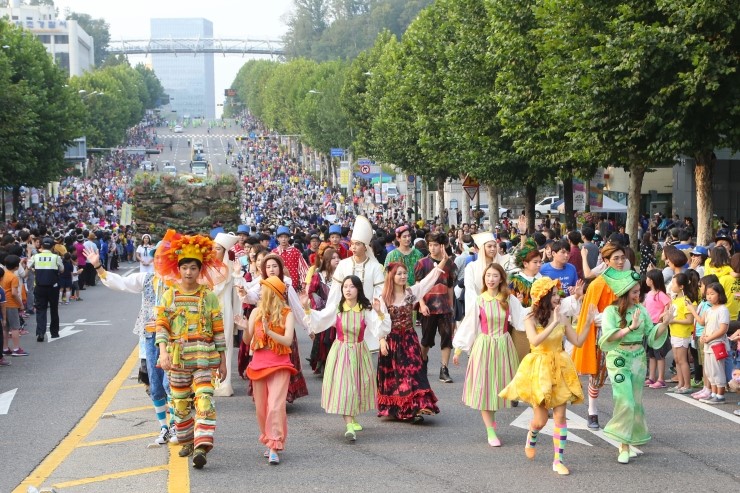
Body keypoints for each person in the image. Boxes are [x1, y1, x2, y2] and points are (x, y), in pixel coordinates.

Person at [500, 277, 596, 475]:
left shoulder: (561, 316)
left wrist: (587, 323)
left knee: (561, 416)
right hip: (540, 369)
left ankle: (558, 460)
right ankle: (532, 433)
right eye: (553, 295)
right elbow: (534, 341)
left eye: (557, 294)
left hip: (559, 367)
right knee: (541, 420)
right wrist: (553, 323)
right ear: (543, 297)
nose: (557, 298)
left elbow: (577, 341)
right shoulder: (530, 317)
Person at [84, 245, 177, 446]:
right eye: (158, 258)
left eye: (165, 258)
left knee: (172, 383)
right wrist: (99, 266)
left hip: (174, 339)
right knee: (155, 382)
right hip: (151, 337)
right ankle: (164, 427)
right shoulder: (146, 279)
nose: (160, 261)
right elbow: (121, 283)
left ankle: (177, 423)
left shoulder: (179, 283)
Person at [155, 232, 227, 469]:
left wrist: (223, 361)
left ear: (200, 270)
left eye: (193, 268)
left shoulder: (209, 297)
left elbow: (218, 329)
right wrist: (163, 353)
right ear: (178, 269)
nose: (188, 272)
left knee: (204, 400)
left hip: (204, 358)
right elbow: (162, 327)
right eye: (184, 267)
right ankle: (187, 440)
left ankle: (201, 447)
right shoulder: (169, 295)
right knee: (180, 404)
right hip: (178, 360)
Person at [304, 275, 390, 441]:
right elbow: (320, 319)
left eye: (351, 286)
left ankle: (353, 417)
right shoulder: (337, 308)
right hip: (341, 351)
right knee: (346, 388)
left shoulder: (365, 309)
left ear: (358, 289)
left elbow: (379, 329)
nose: (348, 290)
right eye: (345, 287)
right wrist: (308, 310)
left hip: (359, 351)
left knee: (357, 387)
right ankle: (349, 425)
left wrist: (379, 313)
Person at [598, 268, 671, 464]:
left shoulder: (642, 310)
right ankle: (622, 446)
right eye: (635, 292)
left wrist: (665, 323)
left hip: (638, 358)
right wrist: (630, 327)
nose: (639, 295)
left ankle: (630, 441)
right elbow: (608, 337)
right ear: (624, 293)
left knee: (636, 401)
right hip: (618, 358)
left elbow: (652, 334)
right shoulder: (610, 311)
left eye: (639, 291)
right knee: (625, 400)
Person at [453, 263, 522, 448]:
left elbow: (522, 319)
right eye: (488, 276)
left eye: (494, 276)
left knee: (498, 388)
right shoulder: (479, 300)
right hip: (484, 346)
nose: (490, 279)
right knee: (485, 388)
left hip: (504, 346)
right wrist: (459, 348)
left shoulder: (508, 299)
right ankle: (490, 430)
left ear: (501, 278)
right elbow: (469, 325)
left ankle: (492, 422)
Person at [377, 259, 447, 423]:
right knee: (397, 377)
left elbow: (427, 281)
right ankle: (400, 409)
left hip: (409, 340)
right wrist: (381, 340)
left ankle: (417, 408)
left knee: (414, 372)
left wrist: (443, 261)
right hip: (392, 340)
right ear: (392, 276)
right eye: (398, 273)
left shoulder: (410, 294)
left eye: (404, 273)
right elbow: (378, 321)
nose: (402, 276)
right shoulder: (384, 298)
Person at [572, 241, 627, 429]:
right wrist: (611, 316)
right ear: (605, 260)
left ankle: (622, 414)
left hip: (626, 335)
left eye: (622, 258)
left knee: (622, 376)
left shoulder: (628, 281)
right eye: (615, 258)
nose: (620, 262)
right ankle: (592, 413)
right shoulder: (597, 285)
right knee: (597, 376)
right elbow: (591, 317)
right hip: (604, 336)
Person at [244, 276, 298, 465]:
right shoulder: (256, 313)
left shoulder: (286, 313)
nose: (260, 293)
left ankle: (274, 445)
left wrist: (270, 332)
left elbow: (288, 340)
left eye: (264, 289)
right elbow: (246, 340)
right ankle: (268, 438)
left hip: (280, 363)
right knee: (262, 408)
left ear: (272, 293)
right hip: (259, 363)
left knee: (276, 406)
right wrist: (244, 328)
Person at [414, 231, 457, 383]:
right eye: (430, 245)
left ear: (443, 246)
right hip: (428, 307)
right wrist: (422, 304)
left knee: (446, 338)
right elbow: (418, 287)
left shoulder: (451, 264)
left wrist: (451, 306)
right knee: (426, 339)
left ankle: (444, 369)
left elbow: (450, 286)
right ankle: (422, 362)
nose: (432, 248)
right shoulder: (422, 263)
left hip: (445, 307)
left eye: (435, 245)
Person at [686, 282, 731, 405]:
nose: (709, 296)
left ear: (720, 294)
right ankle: (713, 393)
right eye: (707, 294)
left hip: (717, 344)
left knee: (717, 370)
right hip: (708, 344)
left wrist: (709, 337)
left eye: (712, 294)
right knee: (710, 371)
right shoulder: (709, 310)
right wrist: (705, 336)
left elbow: (723, 329)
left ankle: (720, 395)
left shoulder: (723, 309)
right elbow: (702, 323)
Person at [508, 238, 543, 364]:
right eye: (535, 262)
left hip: (539, 326)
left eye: (540, 262)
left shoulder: (544, 281)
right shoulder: (515, 281)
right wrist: (518, 303)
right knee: (520, 362)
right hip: (520, 327)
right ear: (525, 263)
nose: (539, 264)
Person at [306, 246, 340, 374]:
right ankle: (324, 364)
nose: (337, 260)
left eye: (338, 257)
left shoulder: (342, 275)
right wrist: (321, 306)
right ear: (326, 261)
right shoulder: (318, 275)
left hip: (337, 311)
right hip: (323, 310)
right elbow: (312, 292)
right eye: (333, 258)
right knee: (323, 339)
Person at [27, 238, 64, 343]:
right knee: (54, 309)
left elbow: (29, 266)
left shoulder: (36, 257)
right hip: (53, 287)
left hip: (39, 287)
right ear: (52, 247)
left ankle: (40, 333)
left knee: (40, 310)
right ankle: (54, 332)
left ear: (41, 246)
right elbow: (62, 269)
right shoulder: (56, 257)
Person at [667, 272, 698, 394]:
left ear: (681, 286)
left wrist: (673, 320)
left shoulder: (686, 300)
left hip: (682, 333)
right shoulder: (675, 299)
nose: (671, 286)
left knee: (682, 360)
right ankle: (680, 383)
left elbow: (689, 320)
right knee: (677, 359)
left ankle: (687, 385)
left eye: (674, 283)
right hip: (674, 332)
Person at [642, 270, 672, 389]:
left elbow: (669, 304)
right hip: (649, 325)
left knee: (659, 353)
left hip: (658, 326)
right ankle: (651, 377)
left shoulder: (660, 294)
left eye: (648, 278)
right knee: (651, 354)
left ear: (652, 280)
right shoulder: (650, 293)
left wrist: (663, 314)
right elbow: (644, 306)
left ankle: (660, 378)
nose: (646, 280)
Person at [2, 255, 29, 355]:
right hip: (11, 304)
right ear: (16, 267)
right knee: (15, 327)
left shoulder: (3, 274)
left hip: (3, 303)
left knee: (5, 328)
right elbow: (14, 293)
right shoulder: (13, 277)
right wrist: (20, 304)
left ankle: (5, 348)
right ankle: (16, 349)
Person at [272, 226, 309, 292]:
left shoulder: (296, 252)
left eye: (285, 237)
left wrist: (303, 283)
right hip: (277, 286)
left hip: (294, 286)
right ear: (278, 238)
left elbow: (302, 269)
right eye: (281, 237)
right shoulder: (274, 253)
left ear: (289, 238)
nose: (283, 239)